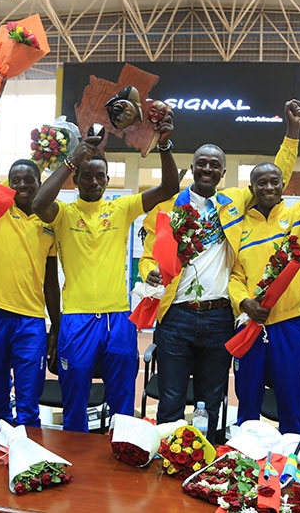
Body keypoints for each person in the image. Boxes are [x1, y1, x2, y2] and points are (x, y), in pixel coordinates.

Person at [138, 101, 299, 442]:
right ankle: (167, 468)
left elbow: (277, 171)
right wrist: (150, 272)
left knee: (212, 402)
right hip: (176, 316)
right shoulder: (168, 207)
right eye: (202, 164)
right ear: (193, 168)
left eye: (215, 165)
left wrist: (293, 132)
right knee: (170, 400)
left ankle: (205, 468)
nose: (208, 169)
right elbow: (149, 256)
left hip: (219, 316)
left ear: (223, 173)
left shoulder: (235, 201)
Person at [32, 113, 179, 432]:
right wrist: (71, 161)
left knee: (122, 403)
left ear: (108, 179)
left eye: (101, 176)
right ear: (76, 178)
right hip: (77, 319)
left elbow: (170, 186)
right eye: (87, 176)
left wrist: (164, 144)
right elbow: (38, 202)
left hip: (117, 318)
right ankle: (76, 458)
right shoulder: (63, 213)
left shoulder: (122, 208)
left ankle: (122, 454)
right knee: (75, 401)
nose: (95, 182)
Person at [228, 100, 300, 433]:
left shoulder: (299, 216)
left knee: (291, 406)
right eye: (260, 183)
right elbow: (236, 275)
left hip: (291, 325)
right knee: (247, 405)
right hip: (250, 323)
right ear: (252, 189)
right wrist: (243, 302)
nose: (267, 187)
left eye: (274, 182)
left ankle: (289, 471)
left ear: (282, 186)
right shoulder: (240, 225)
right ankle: (245, 469)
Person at [0, 77, 61, 435]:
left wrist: (55, 325)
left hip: (30, 323)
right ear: (7, 184)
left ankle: (27, 463)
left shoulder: (50, 219)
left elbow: (51, 279)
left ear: (40, 183)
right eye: (16, 180)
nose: (22, 185)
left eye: (29, 180)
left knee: (27, 403)